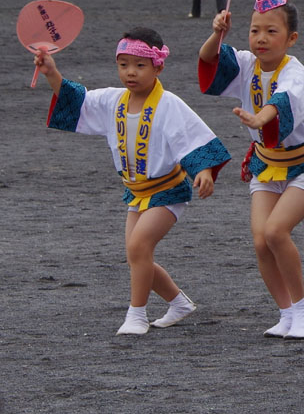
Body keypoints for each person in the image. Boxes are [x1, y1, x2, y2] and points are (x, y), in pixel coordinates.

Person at [35, 27, 231, 336]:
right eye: (124, 64)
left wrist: (204, 171)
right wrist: (52, 73)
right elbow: (77, 100)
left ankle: (136, 315)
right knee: (135, 255)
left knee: (139, 246)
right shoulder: (113, 101)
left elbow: (192, 138)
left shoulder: (169, 104)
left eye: (140, 65)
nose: (130, 72)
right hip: (136, 192)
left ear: (158, 66)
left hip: (168, 190)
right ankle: (179, 303)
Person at [199, 0, 304, 340]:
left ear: (291, 38)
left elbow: (282, 100)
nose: (261, 38)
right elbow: (208, 61)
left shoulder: (295, 71)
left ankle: (303, 311)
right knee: (260, 241)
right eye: (255, 30)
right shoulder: (245, 63)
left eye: (272, 31)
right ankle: (286, 312)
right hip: (266, 165)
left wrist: (261, 119)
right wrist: (217, 34)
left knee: (275, 232)